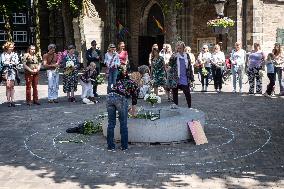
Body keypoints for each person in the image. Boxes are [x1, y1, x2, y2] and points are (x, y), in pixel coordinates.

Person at [106, 68, 139, 151]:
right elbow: (134, 101)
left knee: (111, 123)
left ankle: (110, 146)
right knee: (123, 123)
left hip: (109, 97)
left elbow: (121, 97)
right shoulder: (134, 84)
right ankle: (124, 146)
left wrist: (127, 109)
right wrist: (133, 113)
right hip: (120, 98)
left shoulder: (121, 81)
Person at [168, 41, 194, 108]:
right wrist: (175, 55)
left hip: (184, 77)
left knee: (187, 93)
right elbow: (170, 64)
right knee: (175, 93)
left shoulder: (186, 55)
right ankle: (175, 106)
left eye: (180, 48)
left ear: (183, 48)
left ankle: (189, 107)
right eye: (178, 48)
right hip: (176, 77)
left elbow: (189, 67)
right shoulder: (174, 55)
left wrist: (191, 77)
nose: (179, 49)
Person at [0, 41, 19, 107]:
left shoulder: (15, 54)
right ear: (7, 47)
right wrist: (9, 62)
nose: (11, 48)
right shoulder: (3, 54)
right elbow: (3, 62)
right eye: (10, 47)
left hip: (13, 71)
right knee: (8, 86)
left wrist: (11, 62)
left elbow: (16, 62)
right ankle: (8, 100)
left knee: (12, 86)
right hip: (6, 71)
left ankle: (12, 100)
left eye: (12, 47)